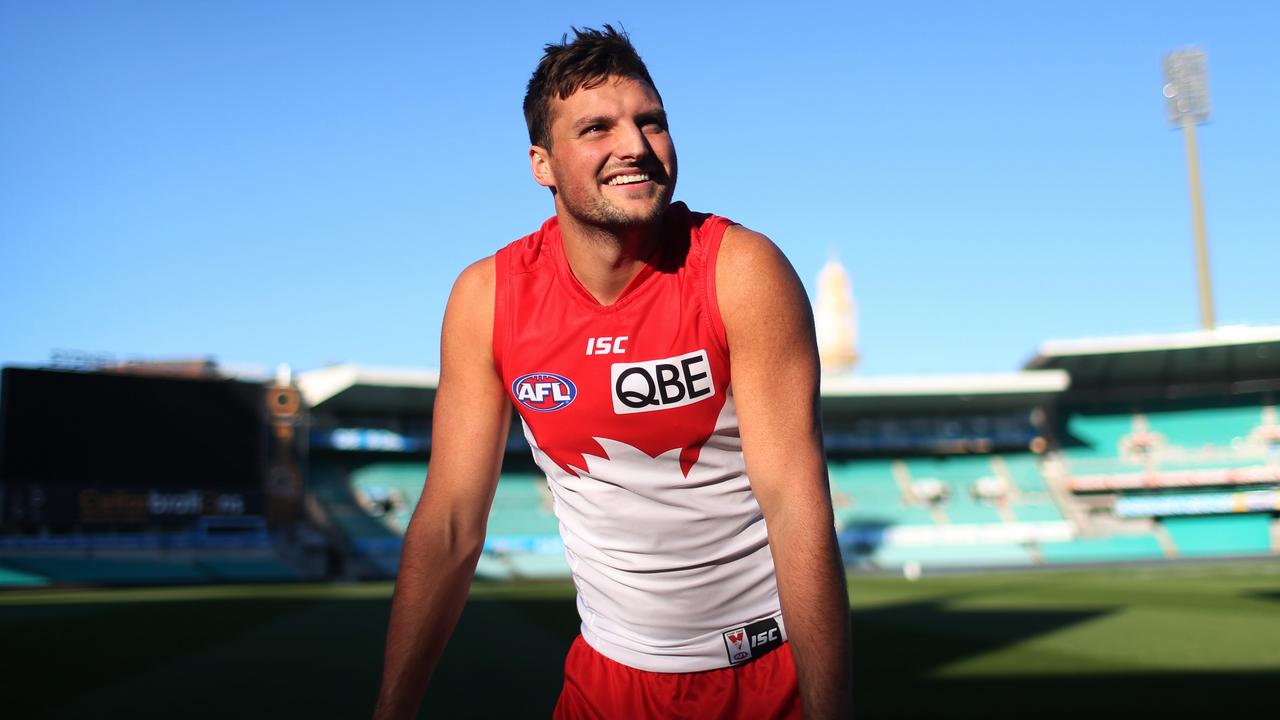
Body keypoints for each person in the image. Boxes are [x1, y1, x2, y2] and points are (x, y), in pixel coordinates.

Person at [373, 25, 850, 720]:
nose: (634, 145)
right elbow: (449, 523)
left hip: (762, 677)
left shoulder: (741, 271)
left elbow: (798, 509)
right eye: (597, 128)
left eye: (650, 121)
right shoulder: (487, 298)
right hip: (607, 682)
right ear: (542, 164)